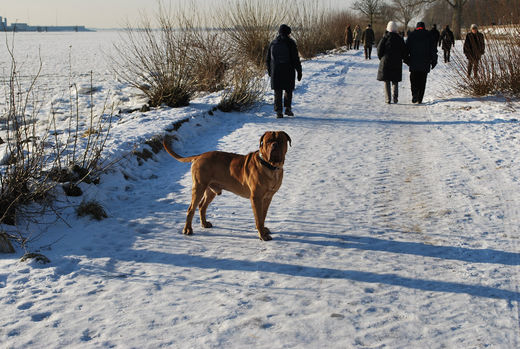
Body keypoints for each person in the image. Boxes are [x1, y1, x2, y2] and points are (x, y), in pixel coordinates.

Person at [266, 24, 302, 118]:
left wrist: (270, 71)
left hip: (276, 71)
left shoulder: (273, 43)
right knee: (288, 90)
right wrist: (299, 71)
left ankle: (278, 112)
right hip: (288, 70)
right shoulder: (291, 43)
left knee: (277, 91)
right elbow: (295, 59)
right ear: (288, 33)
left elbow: (268, 59)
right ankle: (287, 109)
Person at [404, 21, 437, 104]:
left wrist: (407, 60)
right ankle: (420, 98)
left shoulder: (412, 35)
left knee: (413, 79)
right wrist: (434, 61)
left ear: (417, 27)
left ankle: (414, 94)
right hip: (425, 62)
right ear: (424, 27)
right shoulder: (429, 35)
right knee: (422, 81)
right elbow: (433, 50)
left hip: (414, 62)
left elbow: (406, 49)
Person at [377, 21, 407, 104]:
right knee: (395, 80)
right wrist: (403, 58)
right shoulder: (399, 39)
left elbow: (379, 50)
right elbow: (404, 51)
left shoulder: (384, 38)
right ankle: (395, 98)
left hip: (386, 62)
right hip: (396, 62)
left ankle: (388, 99)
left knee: (386, 81)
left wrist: (381, 58)